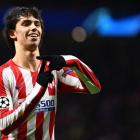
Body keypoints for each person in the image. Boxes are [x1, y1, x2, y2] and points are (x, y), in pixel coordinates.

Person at [0, 7, 101, 140]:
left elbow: (93, 87)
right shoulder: (4, 74)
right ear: (12, 33)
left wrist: (72, 61)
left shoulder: (52, 70)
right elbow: (4, 124)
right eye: (26, 23)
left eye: (37, 24)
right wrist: (39, 89)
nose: (34, 27)